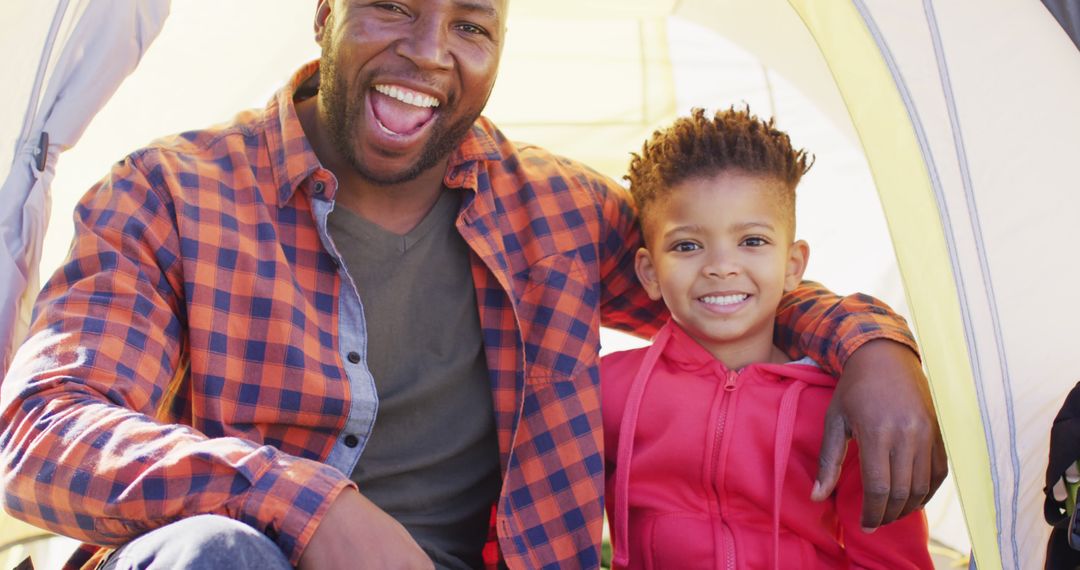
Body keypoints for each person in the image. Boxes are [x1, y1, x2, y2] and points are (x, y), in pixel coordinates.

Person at [0, 1, 945, 568]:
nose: (429, 53)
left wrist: (868, 343)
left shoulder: (558, 213)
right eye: (393, 9)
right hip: (246, 559)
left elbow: (717, 279)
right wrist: (305, 506)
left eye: (470, 25)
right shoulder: (169, 193)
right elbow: (40, 427)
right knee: (218, 556)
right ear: (326, 14)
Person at [602, 108, 934, 569]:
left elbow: (891, 561)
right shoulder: (608, 392)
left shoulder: (844, 408)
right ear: (649, 272)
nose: (721, 265)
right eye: (687, 245)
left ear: (793, 265)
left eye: (752, 241)